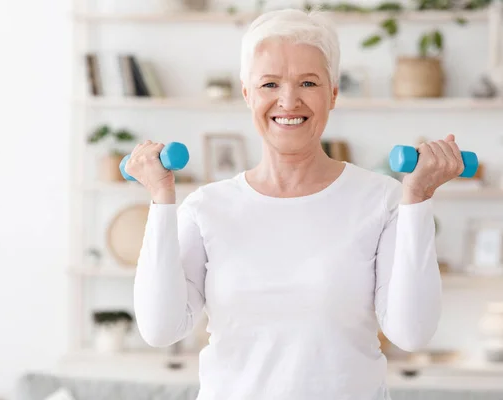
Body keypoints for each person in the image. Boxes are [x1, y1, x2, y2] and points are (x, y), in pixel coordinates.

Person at [125, 8, 464, 400]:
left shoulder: (383, 199)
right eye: (269, 84)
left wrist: (418, 201)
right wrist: (161, 199)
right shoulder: (206, 208)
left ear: (333, 93)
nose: (289, 100)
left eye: (308, 82)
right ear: (247, 93)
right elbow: (160, 329)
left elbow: (412, 332)